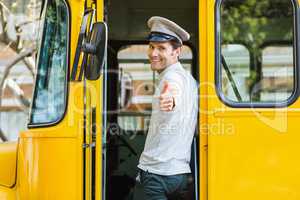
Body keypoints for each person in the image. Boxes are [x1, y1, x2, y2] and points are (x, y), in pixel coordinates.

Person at [133, 16, 198, 200]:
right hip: (180, 174)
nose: (153, 53)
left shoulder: (172, 79)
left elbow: (173, 92)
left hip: (156, 174)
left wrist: (170, 99)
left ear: (177, 51)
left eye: (161, 48)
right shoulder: (189, 79)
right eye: (152, 46)